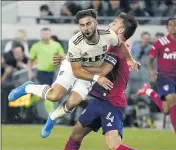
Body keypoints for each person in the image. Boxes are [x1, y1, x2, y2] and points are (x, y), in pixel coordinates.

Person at [41, 13, 167, 150]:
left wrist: (72, 63)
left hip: (112, 103)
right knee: (76, 132)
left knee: (114, 146)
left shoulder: (116, 50)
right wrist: (71, 59)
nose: (110, 25)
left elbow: (102, 71)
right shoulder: (111, 45)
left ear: (120, 29)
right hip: (99, 99)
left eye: (114, 23)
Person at [8, 10, 139, 137]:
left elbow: (121, 45)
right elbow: (76, 71)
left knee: (72, 102)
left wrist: (130, 59)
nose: (85, 28)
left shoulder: (109, 35)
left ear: (96, 24)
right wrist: (96, 77)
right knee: (55, 96)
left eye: (88, 24)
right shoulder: (75, 42)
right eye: (82, 25)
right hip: (73, 67)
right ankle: (28, 87)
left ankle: (52, 117)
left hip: (90, 70)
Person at [137, 18, 176, 133]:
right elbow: (150, 59)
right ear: (167, 28)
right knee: (172, 99)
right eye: (170, 25)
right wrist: (152, 71)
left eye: (175, 25)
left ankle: (148, 91)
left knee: (166, 110)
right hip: (164, 77)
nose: (172, 27)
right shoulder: (161, 42)